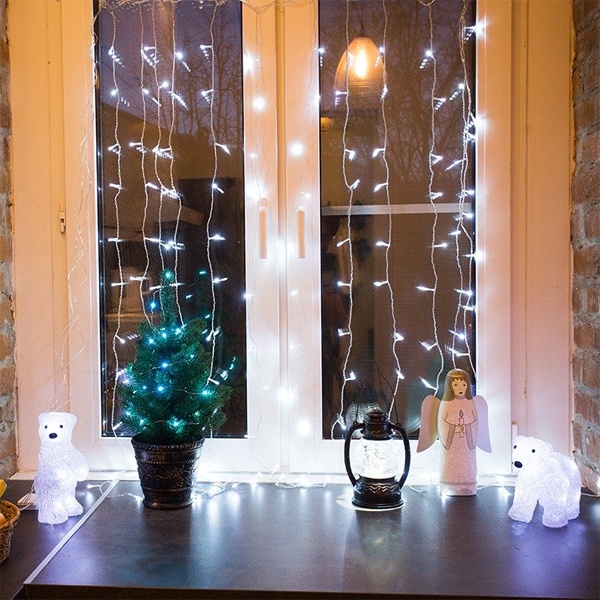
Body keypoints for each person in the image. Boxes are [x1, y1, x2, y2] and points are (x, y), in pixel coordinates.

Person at [417, 368, 491, 495]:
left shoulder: (471, 403)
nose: (460, 388)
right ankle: (449, 485)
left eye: (463, 384)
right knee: (450, 464)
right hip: (451, 449)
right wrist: (453, 429)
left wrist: (466, 428)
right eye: (455, 385)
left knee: (467, 464)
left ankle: (468, 485)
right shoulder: (445, 404)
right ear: (449, 386)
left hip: (467, 450)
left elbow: (474, 423)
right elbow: (443, 424)